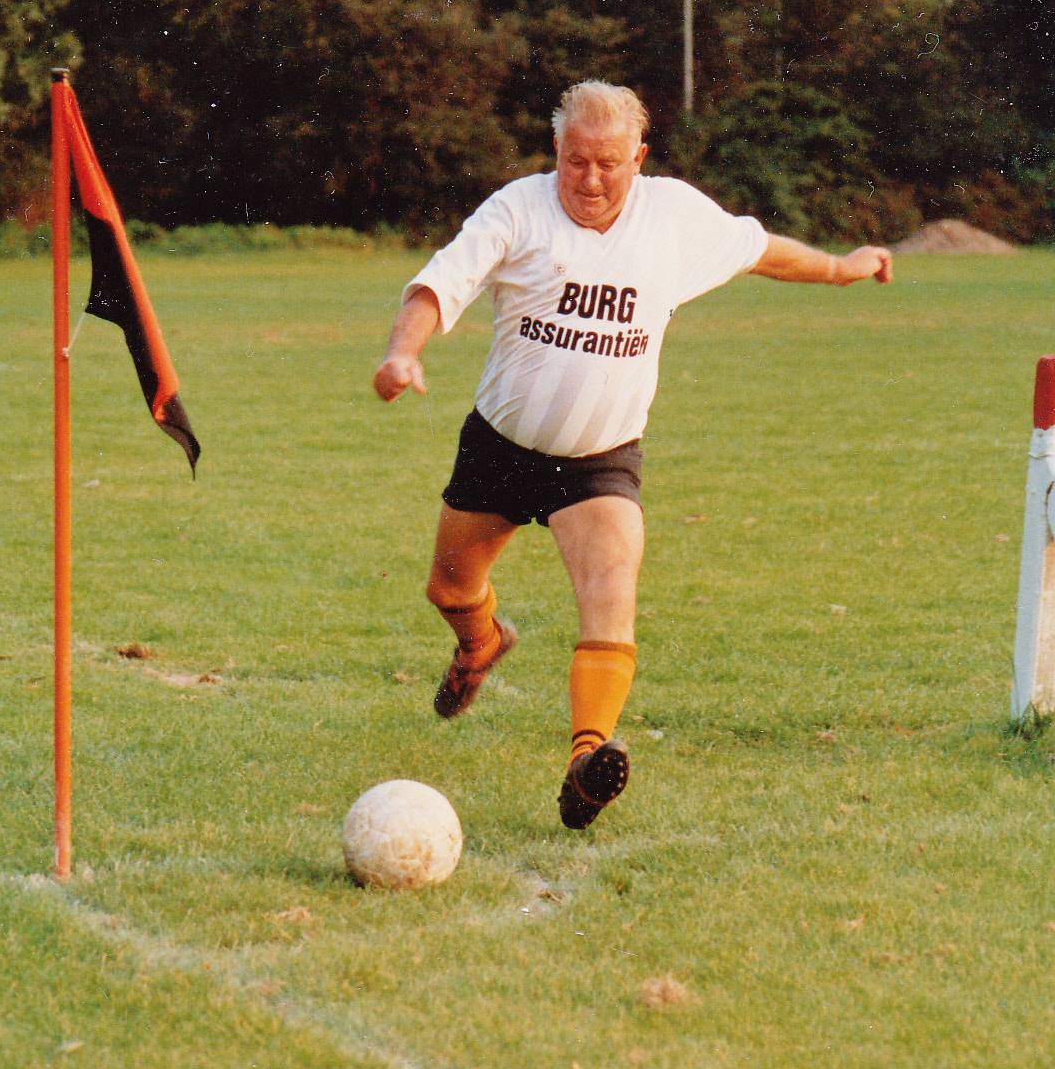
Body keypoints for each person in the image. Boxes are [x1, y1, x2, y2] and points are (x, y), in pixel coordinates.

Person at [374, 81, 891, 829]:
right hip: (500, 447)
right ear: (556, 150)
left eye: (608, 164)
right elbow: (437, 284)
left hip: (599, 461)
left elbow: (760, 250)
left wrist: (842, 267)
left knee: (611, 588)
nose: (589, 180)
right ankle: (479, 646)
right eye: (575, 161)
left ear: (639, 158)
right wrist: (402, 354)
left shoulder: (673, 217)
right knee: (450, 590)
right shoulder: (517, 210)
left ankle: (587, 763)